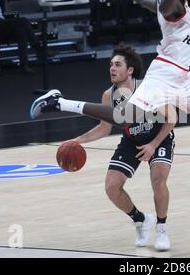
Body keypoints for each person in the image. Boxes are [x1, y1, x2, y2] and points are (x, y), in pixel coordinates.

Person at [30, 0, 190, 208]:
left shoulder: (172, 0)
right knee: (124, 118)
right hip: (164, 74)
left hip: (183, 78)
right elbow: (165, 7)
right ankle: (58, 101)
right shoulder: (172, 2)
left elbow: (144, 0)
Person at [67, 44, 175, 250]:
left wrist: (153, 144)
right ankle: (141, 220)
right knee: (111, 186)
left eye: (117, 64)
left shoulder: (148, 88)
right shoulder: (109, 95)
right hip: (131, 140)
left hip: (159, 137)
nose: (112, 68)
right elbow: (104, 128)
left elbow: (172, 118)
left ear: (130, 70)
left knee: (158, 179)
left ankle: (161, 229)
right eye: (110, 64)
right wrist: (77, 141)